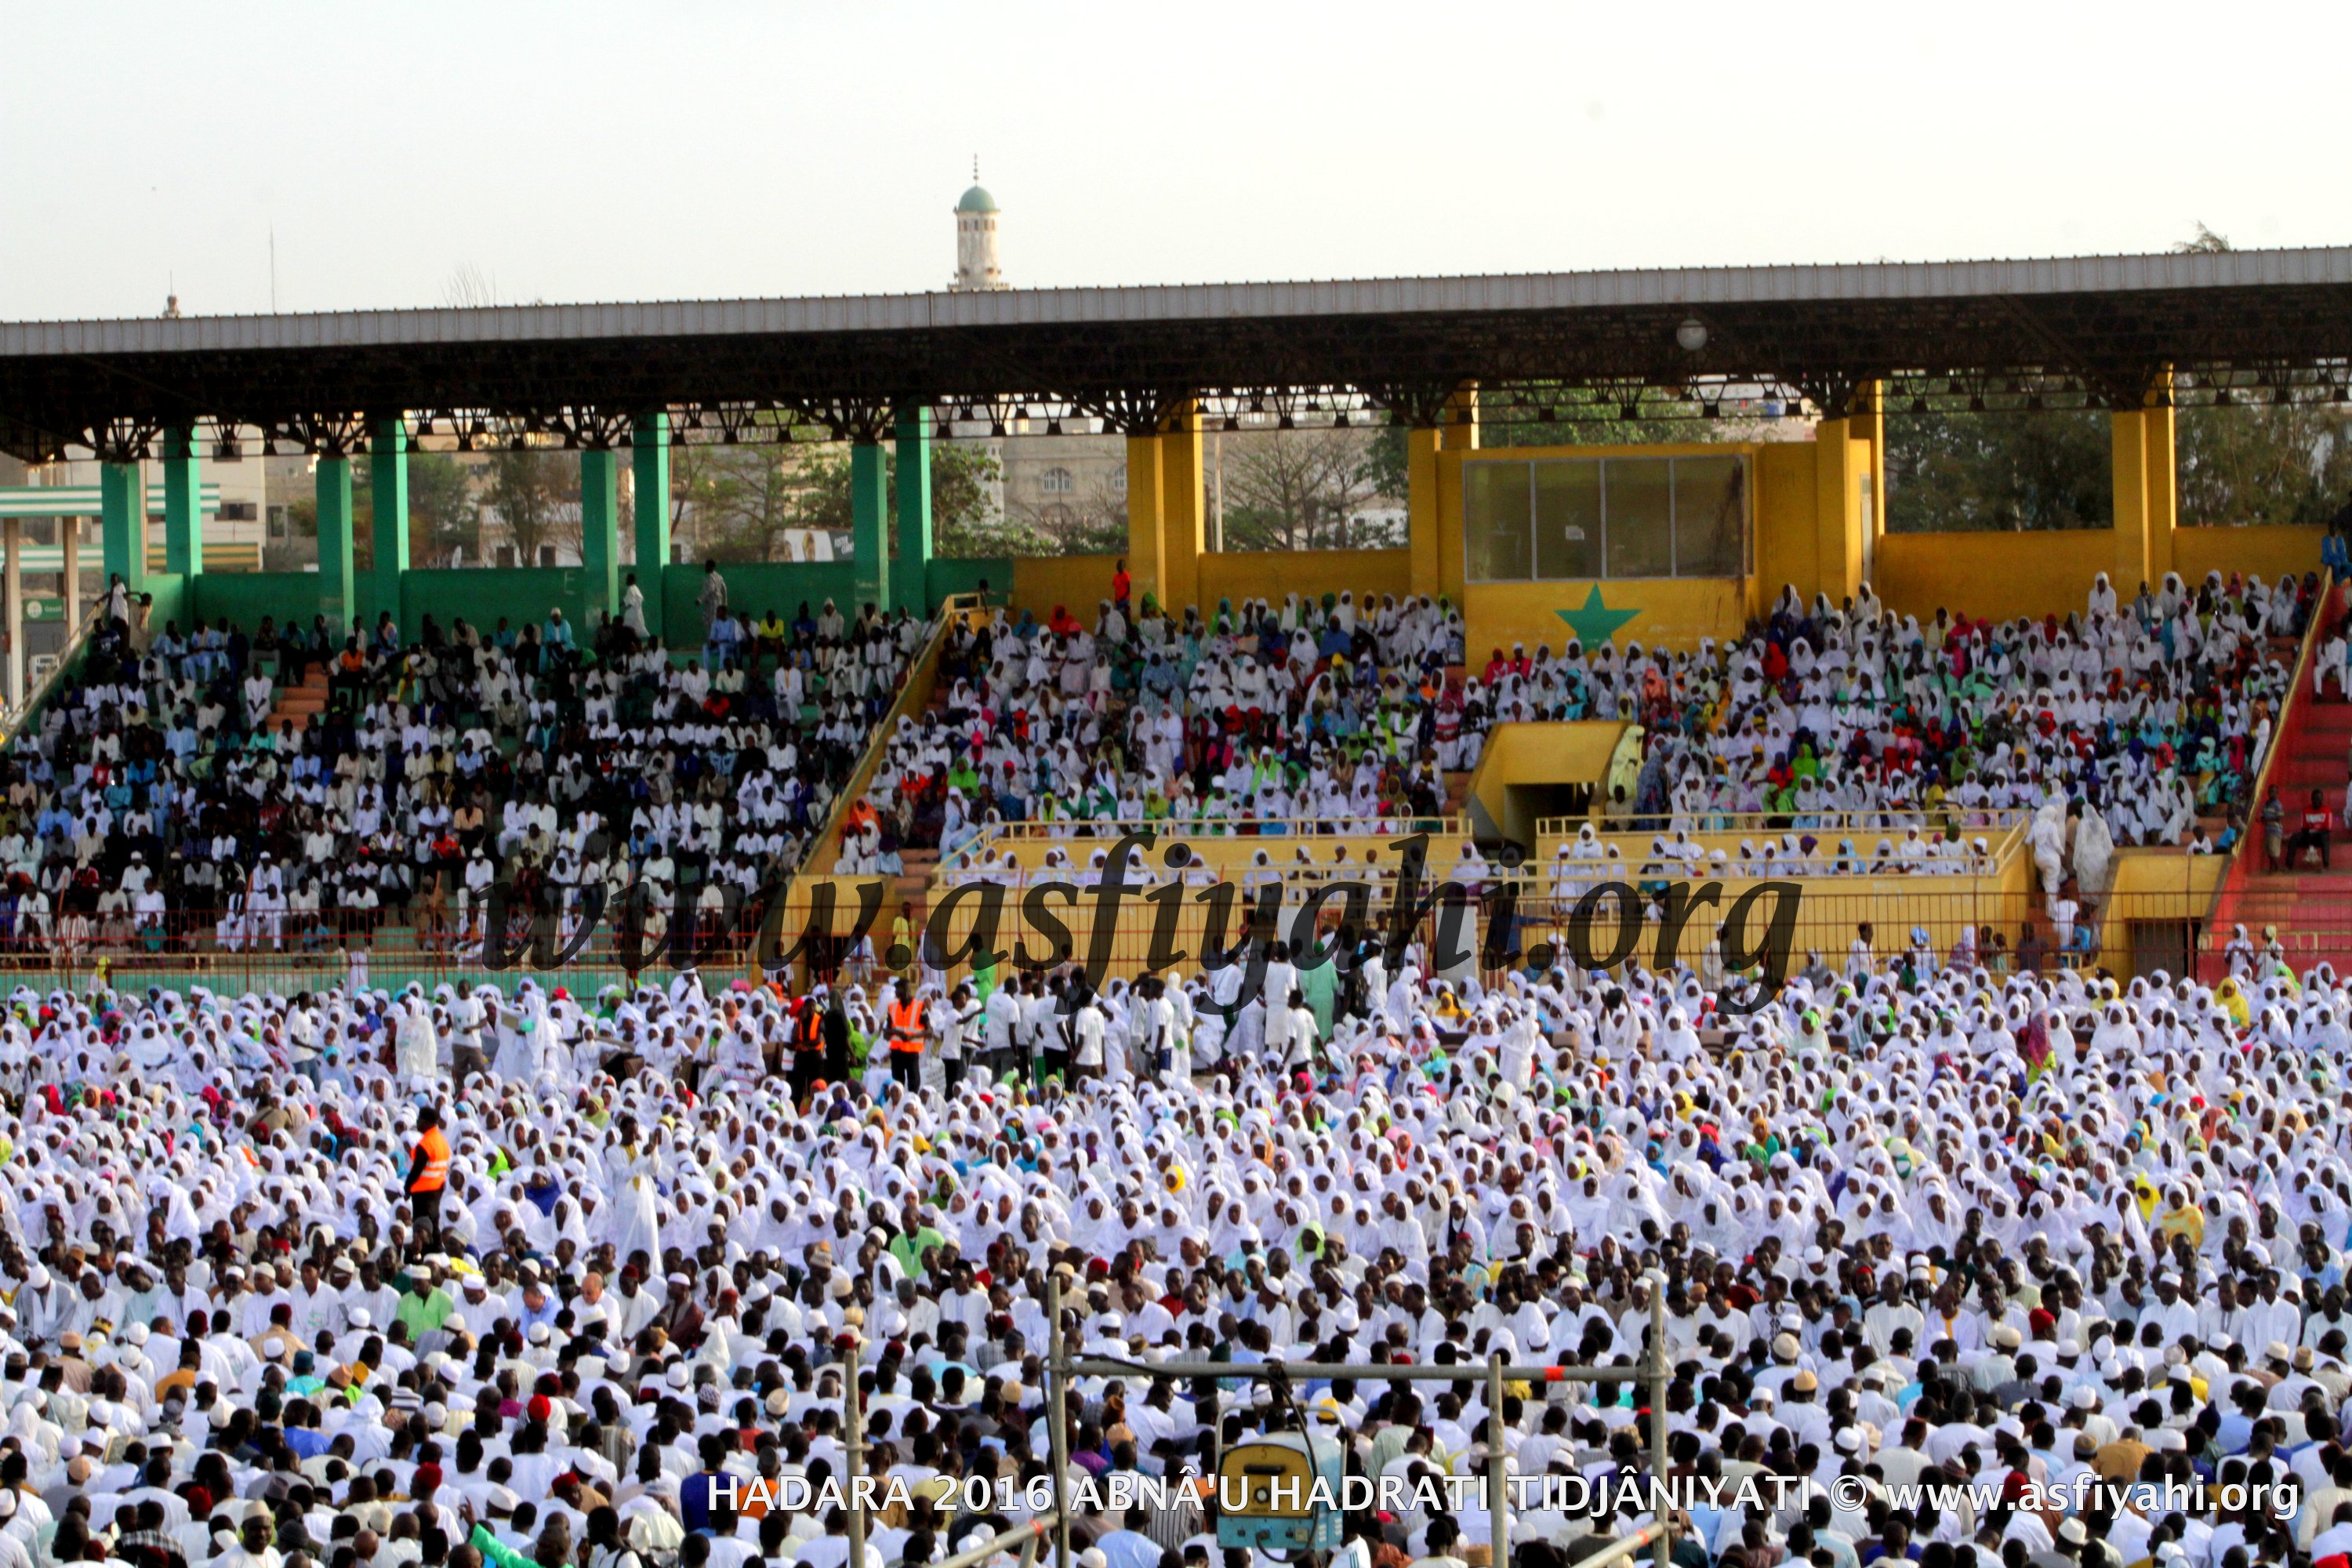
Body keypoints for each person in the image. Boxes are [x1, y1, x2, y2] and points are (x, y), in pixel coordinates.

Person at [404, 1104, 453, 1258]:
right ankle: (436, 1252)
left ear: (426, 1123)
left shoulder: (426, 1144)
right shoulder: (441, 1141)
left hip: (423, 1191)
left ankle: (424, 1253)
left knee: (422, 1226)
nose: (417, 1123)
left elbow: (416, 1171)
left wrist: (407, 1188)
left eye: (419, 1120)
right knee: (433, 1222)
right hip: (437, 1189)